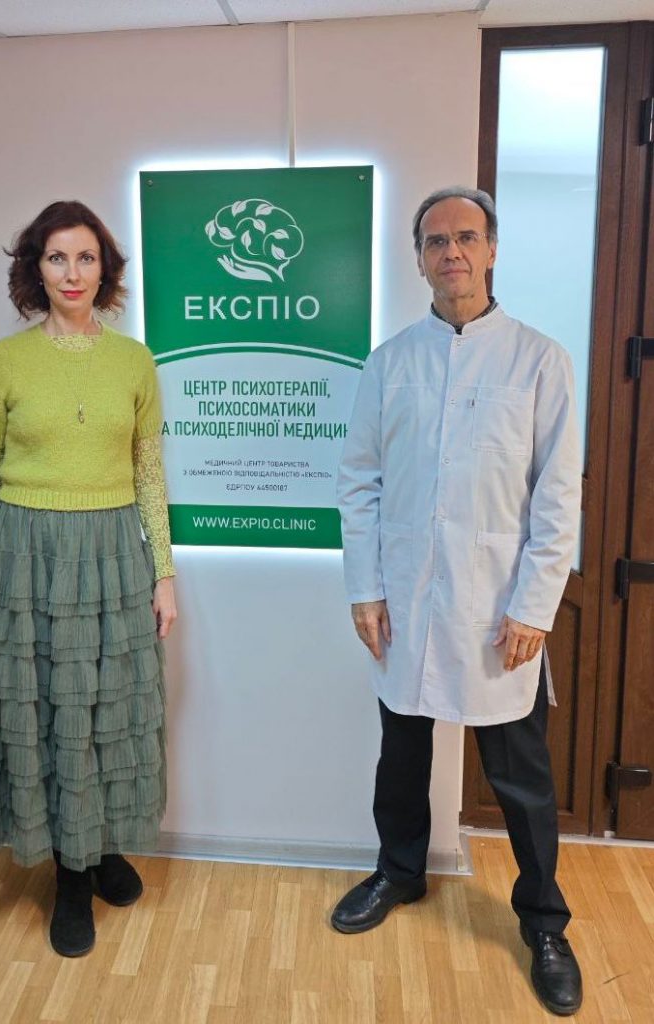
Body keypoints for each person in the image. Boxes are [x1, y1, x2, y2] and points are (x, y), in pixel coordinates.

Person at [334, 187, 583, 1016]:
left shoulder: (537, 360)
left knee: (521, 781)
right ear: (418, 257)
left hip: (495, 607)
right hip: (404, 598)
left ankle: (544, 923)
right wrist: (364, 588)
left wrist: (534, 606)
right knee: (400, 758)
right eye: (436, 241)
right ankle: (398, 872)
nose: (452, 253)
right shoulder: (389, 360)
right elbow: (359, 481)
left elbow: (555, 495)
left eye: (466, 238)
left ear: (492, 249)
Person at [0, 200, 176, 958]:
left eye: (85, 258)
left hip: (116, 552)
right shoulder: (1, 363)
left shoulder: (135, 360)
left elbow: (149, 473)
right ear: (34, 269)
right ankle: (70, 879)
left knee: (109, 709)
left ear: (105, 269)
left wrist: (165, 575)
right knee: (49, 714)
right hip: (24, 558)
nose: (72, 273)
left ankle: (100, 846)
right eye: (56, 258)